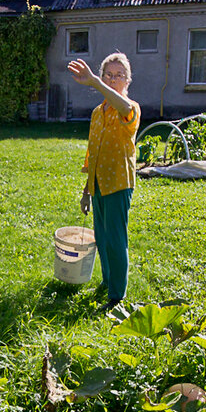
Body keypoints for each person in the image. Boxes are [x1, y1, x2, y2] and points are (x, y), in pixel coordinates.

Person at [67, 52, 141, 311]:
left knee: (116, 239)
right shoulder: (98, 112)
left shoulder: (130, 107)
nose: (113, 79)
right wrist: (87, 190)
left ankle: (117, 295)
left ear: (127, 81)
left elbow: (124, 108)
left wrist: (95, 82)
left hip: (119, 183)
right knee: (102, 237)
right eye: (108, 75)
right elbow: (93, 151)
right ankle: (108, 281)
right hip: (98, 184)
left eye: (118, 75)